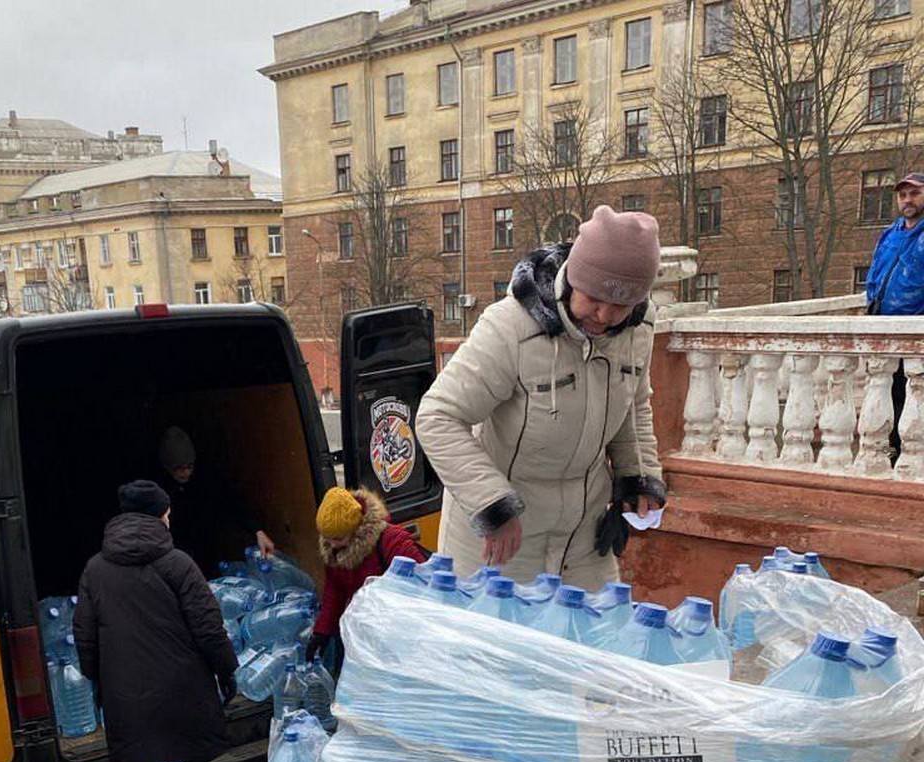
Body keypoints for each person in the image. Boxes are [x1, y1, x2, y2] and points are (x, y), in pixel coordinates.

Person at [416, 205, 667, 590]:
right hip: (502, 541)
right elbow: (437, 417)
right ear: (572, 279)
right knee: (498, 649)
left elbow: (633, 404)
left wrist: (639, 478)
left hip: (583, 541)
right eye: (594, 298)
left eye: (620, 306)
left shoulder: (639, 328)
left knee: (584, 643)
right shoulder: (511, 327)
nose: (603, 315)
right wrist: (492, 506)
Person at [72, 480, 238, 762]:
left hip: (128, 702)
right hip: (185, 699)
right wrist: (226, 670)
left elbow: (85, 637)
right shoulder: (179, 564)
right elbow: (208, 628)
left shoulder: (95, 569)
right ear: (161, 516)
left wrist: (101, 683)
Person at [305, 486, 427, 662]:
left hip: (400, 633)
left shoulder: (391, 541)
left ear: (356, 529)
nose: (331, 545)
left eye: (338, 539)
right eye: (327, 538)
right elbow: (335, 591)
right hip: (368, 632)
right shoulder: (334, 548)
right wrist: (321, 632)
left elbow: (424, 586)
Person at [155, 426, 276, 574]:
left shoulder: (206, 481)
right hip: (176, 556)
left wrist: (258, 531)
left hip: (207, 551)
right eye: (180, 468)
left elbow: (233, 502)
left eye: (190, 466)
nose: (186, 472)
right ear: (168, 468)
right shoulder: (158, 492)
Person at [865, 172, 924, 458]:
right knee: (890, 389)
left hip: (916, 326)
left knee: (916, 391)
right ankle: (893, 447)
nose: (908, 200)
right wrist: (872, 306)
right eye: (903, 195)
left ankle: (911, 450)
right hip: (885, 325)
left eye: (914, 193)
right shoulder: (890, 234)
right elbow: (875, 274)